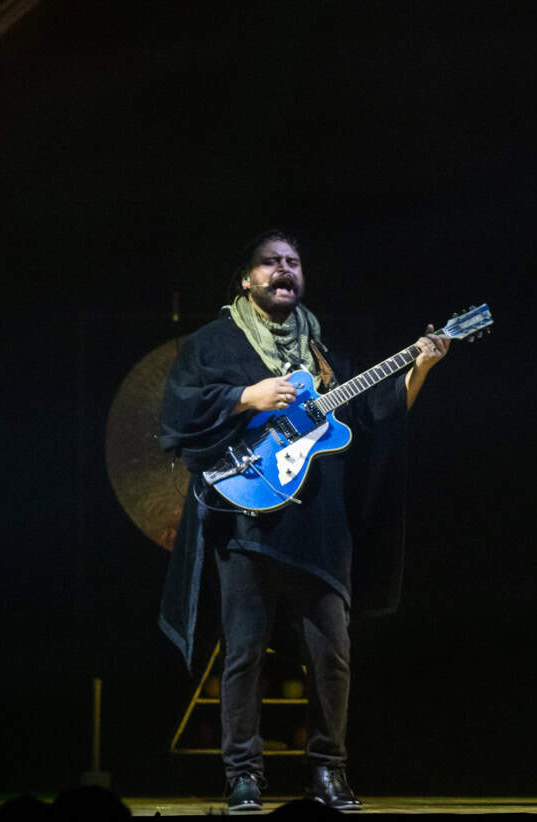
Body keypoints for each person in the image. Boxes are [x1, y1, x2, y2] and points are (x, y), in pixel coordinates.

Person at [158, 229, 449, 813]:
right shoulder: (213, 343)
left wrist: (420, 366)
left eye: (292, 262)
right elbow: (178, 410)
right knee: (244, 652)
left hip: (320, 526)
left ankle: (328, 771)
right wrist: (246, 396)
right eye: (270, 262)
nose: (284, 270)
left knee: (332, 654)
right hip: (246, 521)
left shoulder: (323, 351)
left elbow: (376, 419)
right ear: (247, 279)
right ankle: (243, 775)